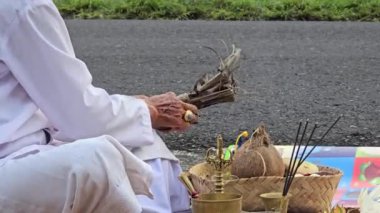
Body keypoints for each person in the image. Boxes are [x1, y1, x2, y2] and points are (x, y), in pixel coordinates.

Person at [0, 0, 198, 212]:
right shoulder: (23, 6)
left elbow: (64, 104)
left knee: (140, 142)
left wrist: (140, 110)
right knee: (98, 160)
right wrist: (148, 110)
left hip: (25, 152)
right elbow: (80, 116)